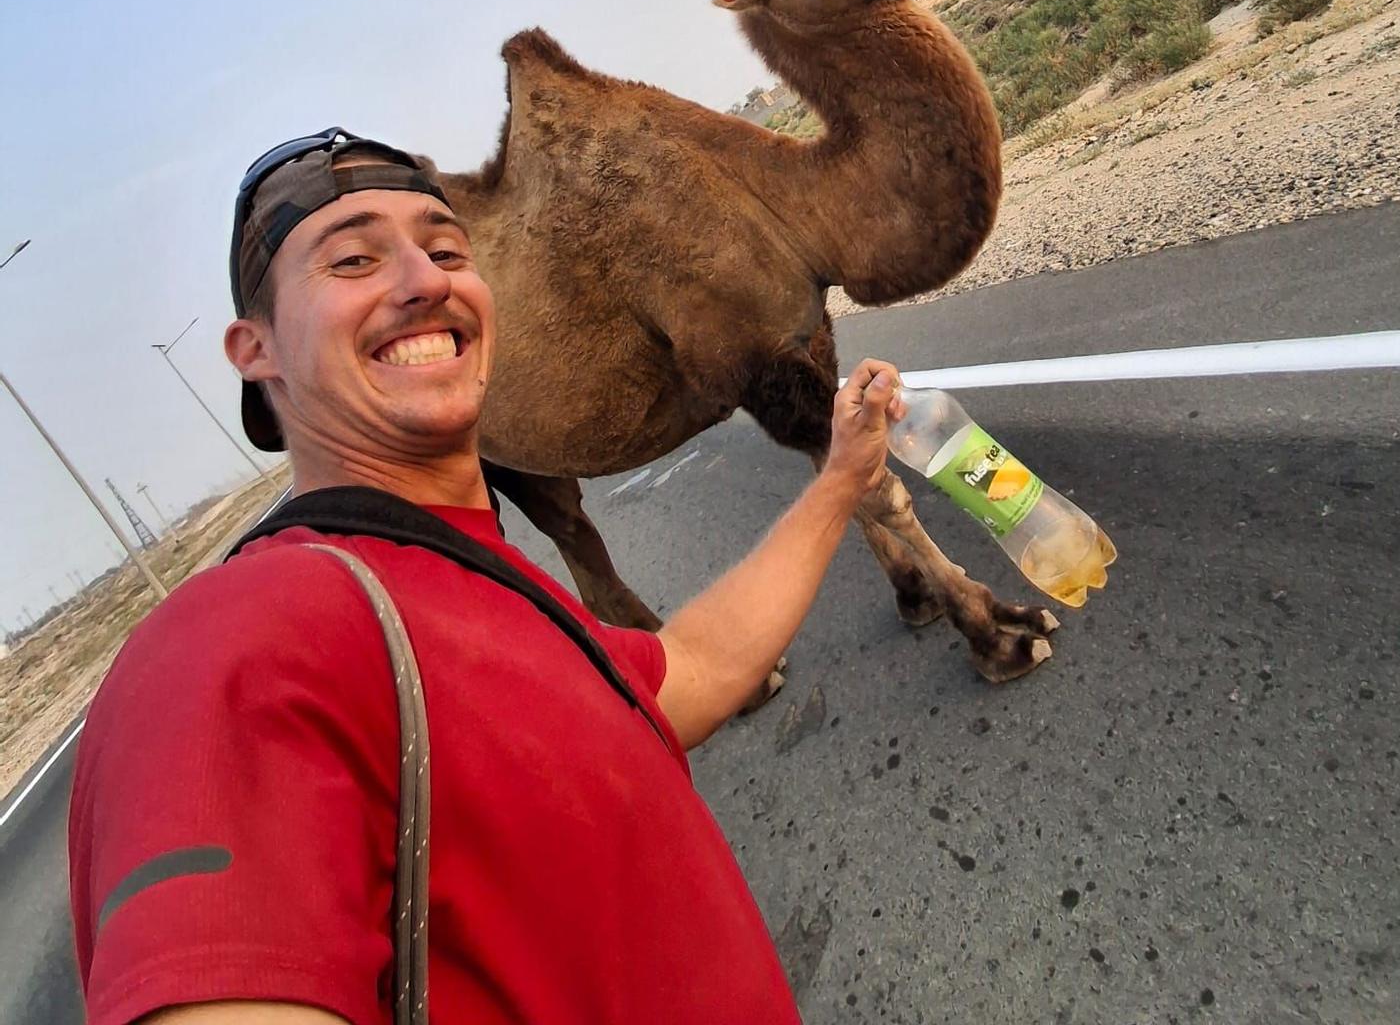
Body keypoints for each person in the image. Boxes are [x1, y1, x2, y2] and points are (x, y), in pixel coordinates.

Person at [68, 128, 905, 1025]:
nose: (424, 282)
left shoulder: (487, 587)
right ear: (255, 348)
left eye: (444, 249)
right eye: (351, 260)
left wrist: (839, 478)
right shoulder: (237, 640)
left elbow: (678, 678)